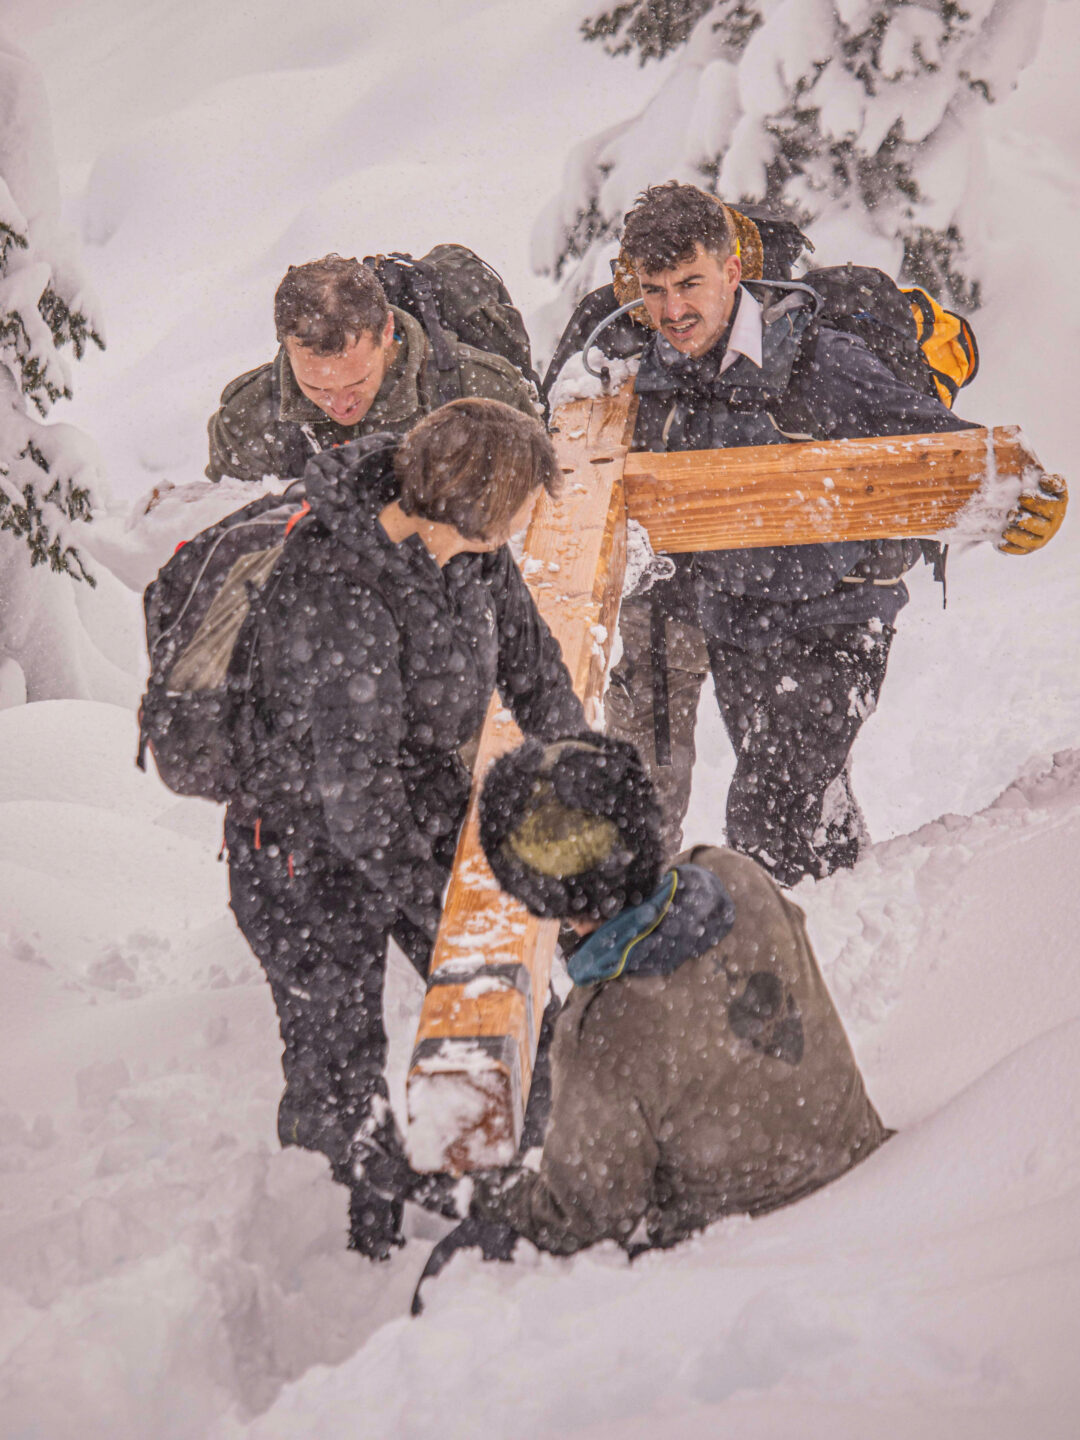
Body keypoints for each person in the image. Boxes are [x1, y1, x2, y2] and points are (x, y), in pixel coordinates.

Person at [223, 398, 585, 1257]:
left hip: (407, 813)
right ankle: (348, 1254)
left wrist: (585, 787)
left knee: (513, 1002)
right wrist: (452, 911)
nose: (526, 524)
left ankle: (494, 1187)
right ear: (474, 503)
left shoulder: (474, 556)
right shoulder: (339, 587)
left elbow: (536, 674)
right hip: (298, 853)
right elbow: (357, 806)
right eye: (519, 507)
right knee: (337, 1066)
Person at [568, 182, 982, 886]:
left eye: (691, 283)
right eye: (656, 290)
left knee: (765, 816)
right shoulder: (645, 377)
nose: (673, 311)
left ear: (733, 271)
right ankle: (851, 904)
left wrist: (1011, 495)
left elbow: (946, 451)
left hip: (840, 616)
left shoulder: (823, 359)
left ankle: (786, 964)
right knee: (800, 797)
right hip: (736, 621)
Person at [411, 733, 888, 1302]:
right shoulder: (734, 875)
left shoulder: (607, 1027)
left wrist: (475, 1190)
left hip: (752, 1255)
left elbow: (582, 1218)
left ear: (539, 897)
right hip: (863, 1164)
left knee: (457, 1260)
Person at [207, 253, 537, 485]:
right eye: (316, 387)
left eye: (357, 380)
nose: (340, 405)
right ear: (286, 346)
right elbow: (234, 540)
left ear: (387, 330)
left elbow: (539, 505)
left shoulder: (480, 389)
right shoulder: (247, 418)